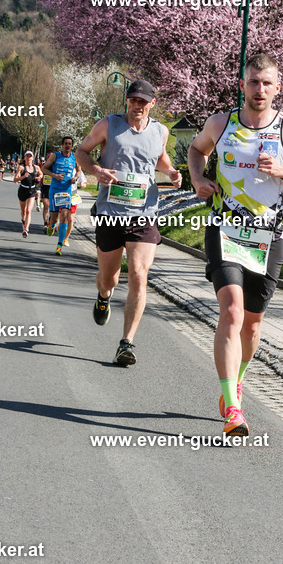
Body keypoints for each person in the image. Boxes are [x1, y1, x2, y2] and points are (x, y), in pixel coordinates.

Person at [188, 53, 283, 436]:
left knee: (252, 323)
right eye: (253, 82)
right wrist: (198, 179)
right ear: (243, 85)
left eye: (267, 83)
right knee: (232, 310)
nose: (259, 89)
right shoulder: (222, 123)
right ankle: (232, 406)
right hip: (225, 228)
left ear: (277, 87)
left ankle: (238, 378)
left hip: (268, 237)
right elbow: (196, 151)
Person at [76, 79, 182, 367]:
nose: (137, 105)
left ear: (152, 104)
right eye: (133, 100)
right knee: (109, 278)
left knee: (138, 273)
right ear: (127, 101)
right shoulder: (108, 125)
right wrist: (97, 170)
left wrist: (171, 171)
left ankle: (126, 343)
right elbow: (81, 152)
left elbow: (159, 158)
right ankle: (103, 295)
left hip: (143, 212)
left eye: (143, 101)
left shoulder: (160, 131)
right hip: (111, 211)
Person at [42, 136, 80, 254]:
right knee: (54, 218)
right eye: (65, 143)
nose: (67, 145)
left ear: (72, 146)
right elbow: (44, 168)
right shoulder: (55, 156)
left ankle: (59, 246)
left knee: (64, 216)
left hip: (66, 190)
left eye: (69, 144)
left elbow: (79, 171)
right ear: (62, 145)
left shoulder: (75, 157)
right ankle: (51, 225)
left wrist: (75, 178)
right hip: (54, 190)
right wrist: (55, 176)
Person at [14, 150, 42, 237]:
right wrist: (23, 176)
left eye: (30, 156)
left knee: (28, 211)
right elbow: (15, 179)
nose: (28, 158)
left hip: (32, 190)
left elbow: (41, 174)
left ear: (33, 158)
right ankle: (23, 221)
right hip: (23, 190)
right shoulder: (21, 167)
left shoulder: (36, 167)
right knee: (23, 212)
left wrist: (39, 177)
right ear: (25, 158)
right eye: (27, 156)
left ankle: (26, 229)